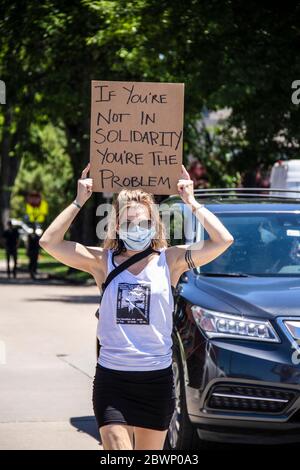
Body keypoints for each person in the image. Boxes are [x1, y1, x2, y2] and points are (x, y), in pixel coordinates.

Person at [39, 162, 234, 450]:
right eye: (129, 223)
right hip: (112, 380)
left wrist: (191, 202)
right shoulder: (101, 263)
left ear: (154, 225)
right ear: (116, 226)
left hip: (156, 382)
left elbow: (223, 240)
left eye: (144, 223)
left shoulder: (170, 261)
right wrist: (79, 200)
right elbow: (49, 242)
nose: (137, 229)